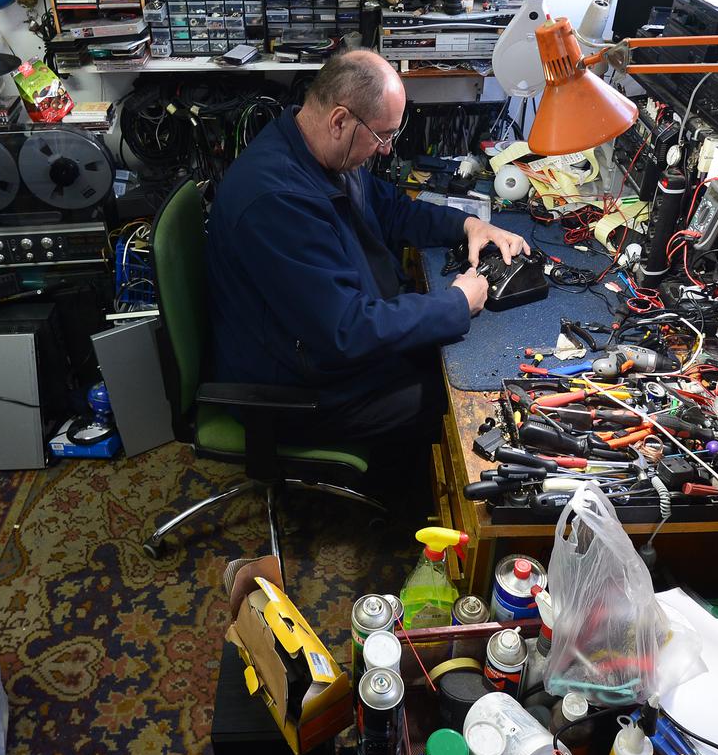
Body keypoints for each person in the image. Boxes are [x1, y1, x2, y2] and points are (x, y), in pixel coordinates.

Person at [205, 49, 529, 452]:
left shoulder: (321, 154)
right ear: (339, 120)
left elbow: (392, 209)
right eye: (382, 135)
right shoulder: (277, 202)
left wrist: (467, 226)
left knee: (439, 354)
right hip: (295, 390)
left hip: (324, 348)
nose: (387, 149)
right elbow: (347, 330)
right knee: (449, 401)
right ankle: (399, 487)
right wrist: (456, 304)